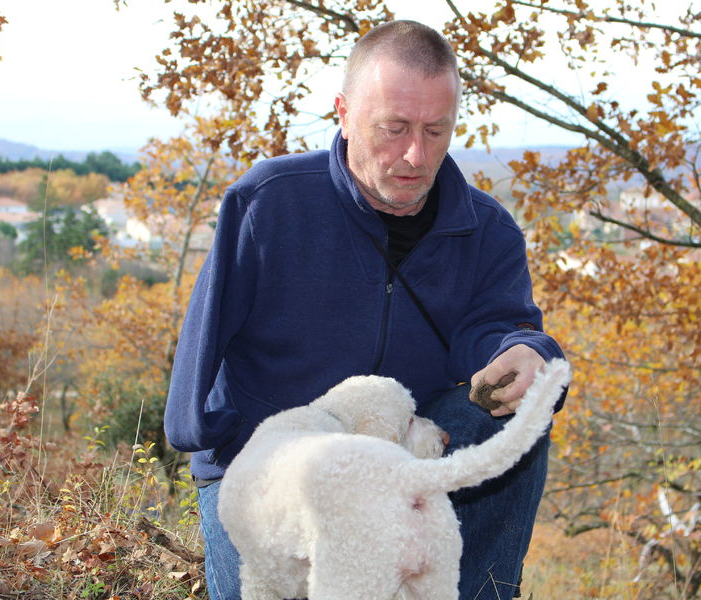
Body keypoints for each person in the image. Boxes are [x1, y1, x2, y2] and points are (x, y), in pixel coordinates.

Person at [164, 19, 566, 600]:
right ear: (344, 113)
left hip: (399, 448)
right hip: (271, 464)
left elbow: (497, 329)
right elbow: (203, 344)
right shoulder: (269, 202)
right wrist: (216, 450)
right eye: (394, 128)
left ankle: (478, 590)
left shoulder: (488, 229)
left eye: (435, 130)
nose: (414, 154)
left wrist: (524, 352)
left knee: (514, 413)